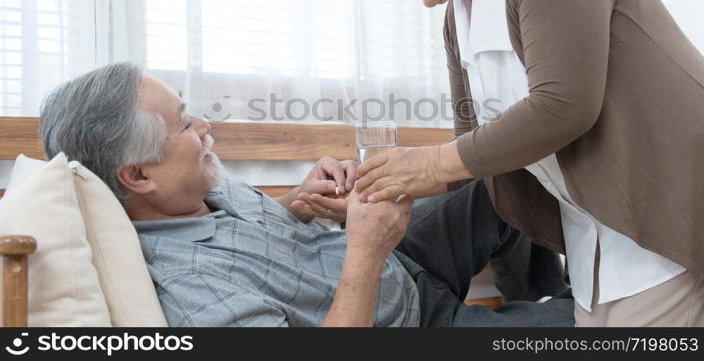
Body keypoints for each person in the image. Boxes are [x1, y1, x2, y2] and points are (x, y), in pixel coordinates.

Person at [329, 0, 704, 327]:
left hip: (667, 214)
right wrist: (385, 187)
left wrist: (427, 165)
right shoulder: (457, 18)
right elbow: (475, 149)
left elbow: (563, 104)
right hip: (599, 242)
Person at [38, 62, 573, 327]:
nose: (204, 125)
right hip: (410, 320)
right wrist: (364, 247)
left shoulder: (192, 194)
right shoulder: (193, 290)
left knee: (502, 173)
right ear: (136, 177)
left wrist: (299, 201)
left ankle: (539, 290)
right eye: (183, 125)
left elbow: (241, 240)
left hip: (399, 260)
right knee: (607, 323)